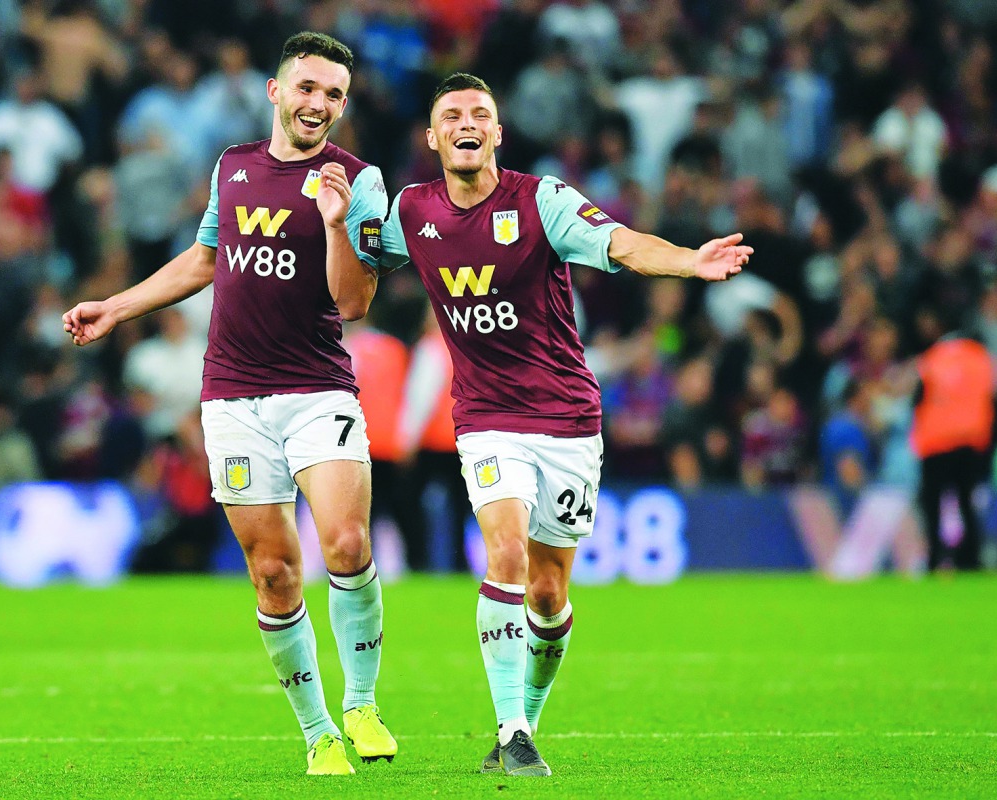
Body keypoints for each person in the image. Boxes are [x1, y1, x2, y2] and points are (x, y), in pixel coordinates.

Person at [379, 73, 751, 777]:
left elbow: (622, 243)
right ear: (432, 138)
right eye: (451, 114)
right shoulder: (410, 211)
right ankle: (512, 728)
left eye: (480, 113)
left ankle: (525, 723)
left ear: (496, 133)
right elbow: (354, 268)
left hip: (568, 417)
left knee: (549, 594)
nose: (467, 122)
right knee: (507, 555)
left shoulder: (542, 201)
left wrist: (688, 261)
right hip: (486, 419)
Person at [62, 32, 396, 776]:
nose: (319, 105)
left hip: (317, 389)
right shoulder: (234, 167)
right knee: (274, 573)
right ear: (276, 92)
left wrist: (337, 224)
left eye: (334, 95)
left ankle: (362, 703)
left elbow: (356, 301)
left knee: (345, 545)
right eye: (307, 88)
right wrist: (118, 306)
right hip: (234, 398)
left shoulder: (359, 181)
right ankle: (317, 734)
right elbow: (206, 259)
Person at [910, 328, 997, 571]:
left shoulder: (932, 357)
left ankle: (933, 559)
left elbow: (918, 398)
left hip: (935, 442)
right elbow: (990, 396)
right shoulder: (982, 358)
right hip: (970, 441)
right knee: (966, 502)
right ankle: (970, 560)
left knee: (932, 504)